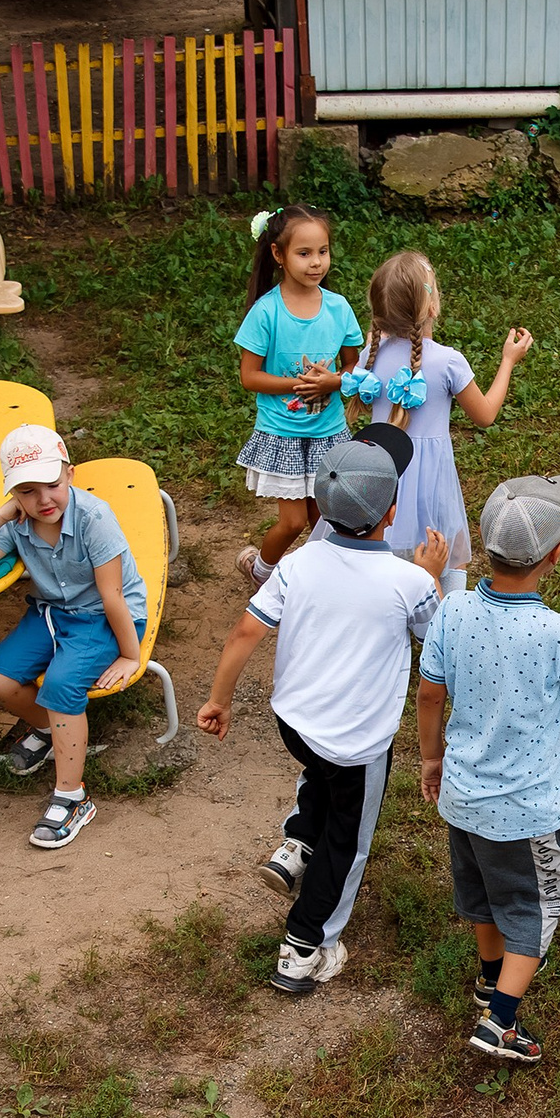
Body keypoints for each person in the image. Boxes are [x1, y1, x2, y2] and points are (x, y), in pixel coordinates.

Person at [196, 426, 447, 995]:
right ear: (391, 513)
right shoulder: (409, 581)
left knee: (319, 771)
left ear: (323, 510)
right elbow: (435, 641)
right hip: (357, 744)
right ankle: (305, 947)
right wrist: (431, 577)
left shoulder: (298, 563)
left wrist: (219, 699)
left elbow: (245, 631)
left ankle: (294, 847)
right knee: (346, 845)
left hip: (294, 723)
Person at [417, 476, 560, 1063]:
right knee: (538, 910)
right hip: (525, 813)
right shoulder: (557, 632)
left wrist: (431, 758)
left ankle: (490, 980)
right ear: (556, 556)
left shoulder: (454, 610)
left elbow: (430, 694)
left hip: (461, 797)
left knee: (484, 898)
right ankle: (500, 1023)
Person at [0, 424, 146, 850]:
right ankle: (52, 731)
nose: (43, 500)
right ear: (12, 494)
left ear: (70, 474)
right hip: (53, 613)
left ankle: (73, 797)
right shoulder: (18, 521)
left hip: (105, 618)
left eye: (52, 485)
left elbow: (112, 596)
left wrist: (131, 655)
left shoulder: (94, 517)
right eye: (26, 491)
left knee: (59, 685)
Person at [345, 248, 534, 589]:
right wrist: (508, 361)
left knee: (381, 554)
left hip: (381, 478)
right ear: (432, 307)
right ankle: (447, 613)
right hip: (433, 482)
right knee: (450, 551)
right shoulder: (447, 361)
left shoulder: (370, 356)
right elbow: (485, 415)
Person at [232, 204, 362, 584]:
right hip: (282, 433)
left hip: (329, 432)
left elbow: (353, 364)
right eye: (304, 253)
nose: (316, 262)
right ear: (278, 254)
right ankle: (261, 572)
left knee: (325, 520)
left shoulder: (338, 308)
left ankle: (318, 585)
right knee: (292, 523)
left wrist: (334, 382)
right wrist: (300, 384)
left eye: (323, 251)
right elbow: (249, 377)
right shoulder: (266, 312)